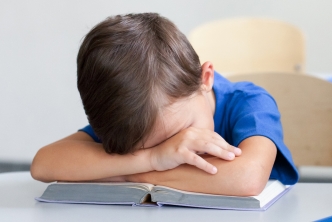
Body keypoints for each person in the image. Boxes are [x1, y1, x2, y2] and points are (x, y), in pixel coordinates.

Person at [31, 13, 298, 196]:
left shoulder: (250, 103)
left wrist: (129, 173)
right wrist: (153, 158)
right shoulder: (135, 117)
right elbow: (44, 164)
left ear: (205, 78)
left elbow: (247, 177)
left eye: (175, 136)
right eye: (151, 148)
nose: (176, 147)